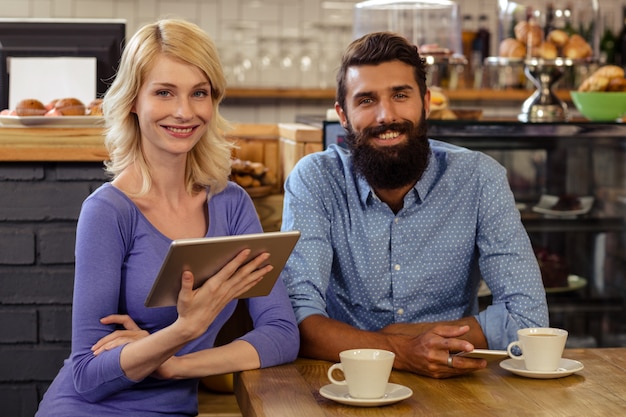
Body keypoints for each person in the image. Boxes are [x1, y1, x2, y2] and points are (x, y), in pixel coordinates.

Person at [36, 19, 298, 416]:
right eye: (164, 92)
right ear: (132, 102)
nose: (184, 111)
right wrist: (186, 329)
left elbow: (281, 335)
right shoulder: (107, 211)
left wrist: (175, 364)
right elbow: (88, 376)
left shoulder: (232, 204)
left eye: (199, 93)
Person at [280, 31, 548, 379]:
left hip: (456, 382)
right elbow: (298, 317)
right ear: (342, 115)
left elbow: (527, 319)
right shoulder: (316, 179)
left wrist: (377, 341)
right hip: (343, 380)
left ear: (426, 101)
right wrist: (402, 351)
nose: (385, 116)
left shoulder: (480, 179)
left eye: (400, 95)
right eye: (366, 101)